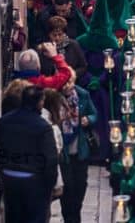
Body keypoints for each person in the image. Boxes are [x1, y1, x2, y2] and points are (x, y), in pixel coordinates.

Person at [0, 85, 59, 223]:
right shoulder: (43, 127)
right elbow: (50, 160)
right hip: (33, 182)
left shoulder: (5, 121)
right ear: (39, 102)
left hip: (9, 177)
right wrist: (49, 186)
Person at [57, 76, 97, 223]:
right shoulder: (55, 97)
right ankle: (69, 218)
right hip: (64, 152)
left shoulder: (82, 95)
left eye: (70, 82)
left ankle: (75, 215)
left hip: (80, 149)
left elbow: (94, 114)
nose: (68, 86)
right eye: (65, 82)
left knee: (81, 185)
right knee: (67, 188)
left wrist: (88, 119)